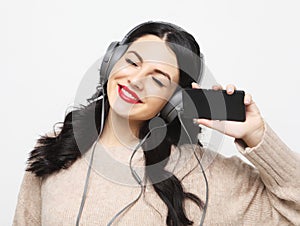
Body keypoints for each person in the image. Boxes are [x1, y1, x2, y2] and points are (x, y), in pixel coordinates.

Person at [13, 21, 300, 226]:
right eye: (132, 62)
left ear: (174, 101)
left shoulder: (203, 174)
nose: (136, 81)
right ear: (111, 62)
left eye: (158, 78)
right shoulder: (58, 147)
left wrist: (258, 137)